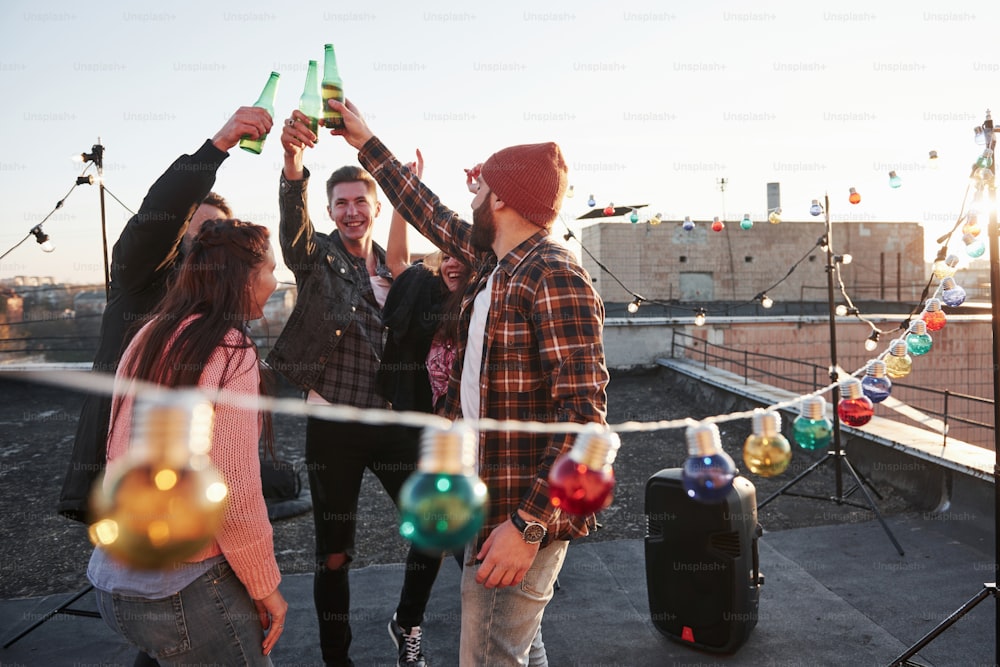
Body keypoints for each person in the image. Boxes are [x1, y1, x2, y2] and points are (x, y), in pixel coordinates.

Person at [329, 97, 610, 667]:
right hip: (490, 506)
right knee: (517, 652)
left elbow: (585, 425)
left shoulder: (553, 275)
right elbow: (429, 213)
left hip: (517, 515)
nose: (473, 197)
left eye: (481, 188)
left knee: (487, 658)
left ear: (502, 198)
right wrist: (366, 142)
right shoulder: (497, 268)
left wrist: (527, 526)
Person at [267, 110, 444, 667]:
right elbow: (293, 239)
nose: (350, 211)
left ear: (372, 207)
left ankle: (407, 621)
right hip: (335, 427)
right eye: (340, 203)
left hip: (390, 422)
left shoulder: (394, 270)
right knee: (335, 556)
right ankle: (336, 658)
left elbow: (407, 266)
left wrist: (404, 191)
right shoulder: (317, 258)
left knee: (432, 527)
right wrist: (293, 164)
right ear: (330, 211)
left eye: (359, 202)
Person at [59, 106, 273, 524]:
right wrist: (217, 147)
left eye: (219, 237)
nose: (210, 244)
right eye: (200, 232)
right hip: (125, 480)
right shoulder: (142, 275)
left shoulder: (222, 310)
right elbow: (159, 217)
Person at [87, 218, 288, 665]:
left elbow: (118, 450)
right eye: (272, 270)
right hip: (183, 587)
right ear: (244, 277)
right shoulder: (231, 350)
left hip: (115, 577)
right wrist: (265, 587)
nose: (277, 282)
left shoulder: (149, 334)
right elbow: (233, 490)